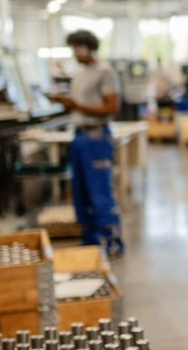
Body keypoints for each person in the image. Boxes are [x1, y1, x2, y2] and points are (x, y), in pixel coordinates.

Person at [53, 30, 124, 257]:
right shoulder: (80, 73)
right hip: (80, 137)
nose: (75, 53)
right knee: (81, 194)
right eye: (73, 48)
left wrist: (77, 106)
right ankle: (90, 244)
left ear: (88, 48)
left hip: (96, 137)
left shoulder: (104, 72)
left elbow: (112, 107)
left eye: (78, 48)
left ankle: (112, 243)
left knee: (100, 193)